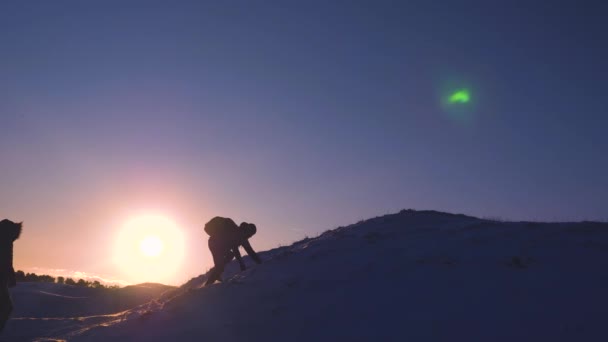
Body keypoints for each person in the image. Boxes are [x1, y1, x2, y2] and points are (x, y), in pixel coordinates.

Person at [204, 217, 261, 286]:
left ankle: (216, 274)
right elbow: (236, 249)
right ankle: (208, 284)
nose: (250, 236)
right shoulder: (238, 233)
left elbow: (250, 251)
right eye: (250, 234)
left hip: (216, 244)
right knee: (221, 265)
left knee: (223, 262)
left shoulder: (241, 235)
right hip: (215, 244)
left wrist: (260, 263)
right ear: (248, 231)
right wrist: (242, 265)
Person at [0, 219, 22, 333]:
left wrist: (11, 275)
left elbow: (8, 259)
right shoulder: (5, 240)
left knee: (6, 307)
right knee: (6, 307)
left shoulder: (7, 240)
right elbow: (5, 259)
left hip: (3, 278)